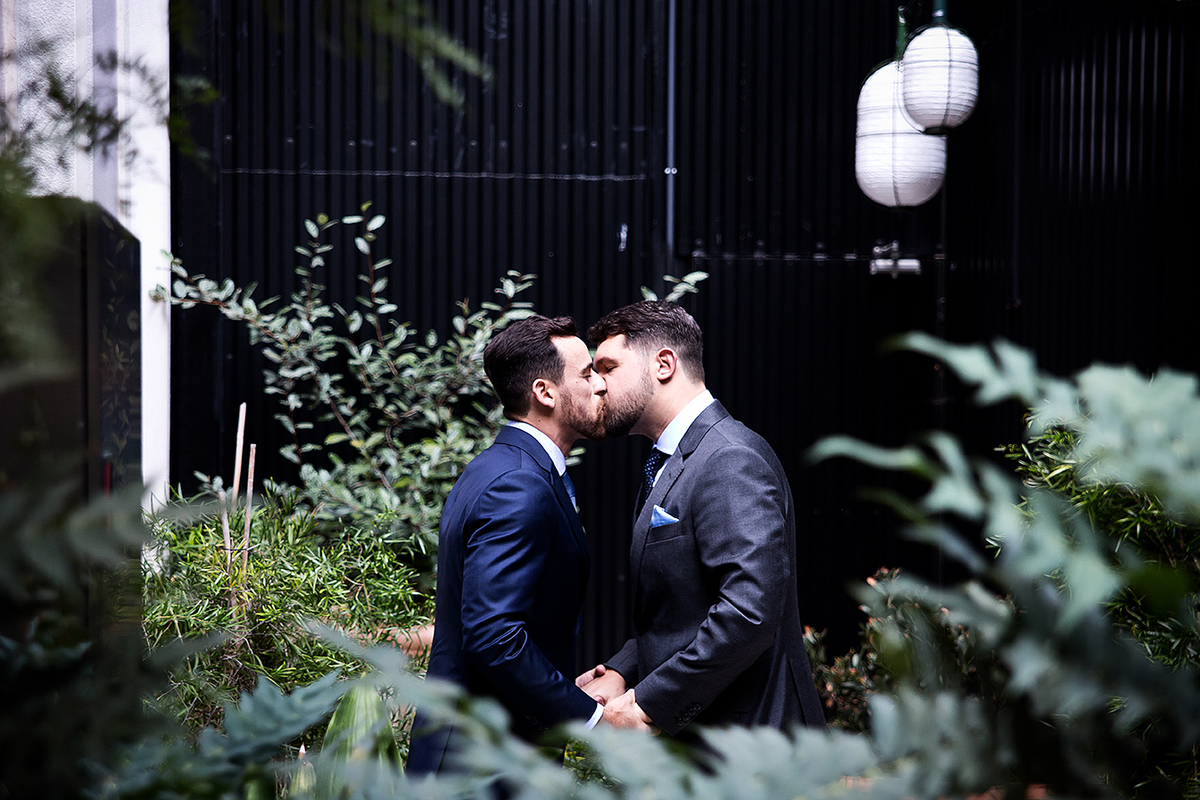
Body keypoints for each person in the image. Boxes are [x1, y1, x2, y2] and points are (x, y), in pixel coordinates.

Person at [576, 300, 825, 737]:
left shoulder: (729, 458)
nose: (597, 384)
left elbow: (747, 613)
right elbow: (683, 613)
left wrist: (649, 705)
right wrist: (622, 670)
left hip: (751, 745)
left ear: (664, 364)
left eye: (608, 368)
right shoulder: (672, 460)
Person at [406, 315, 611, 776]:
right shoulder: (519, 484)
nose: (601, 384)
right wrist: (592, 719)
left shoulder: (499, 467)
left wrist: (562, 687)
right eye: (586, 374)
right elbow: (494, 636)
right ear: (545, 393)